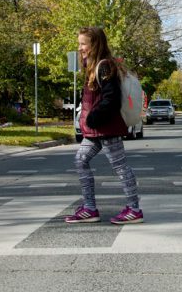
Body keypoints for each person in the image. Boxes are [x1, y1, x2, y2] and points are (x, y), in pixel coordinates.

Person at [65, 27, 143, 224]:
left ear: (95, 45)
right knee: (81, 160)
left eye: (83, 44)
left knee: (120, 166)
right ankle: (89, 208)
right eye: (79, 43)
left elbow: (112, 99)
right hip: (95, 129)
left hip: (105, 127)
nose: (80, 47)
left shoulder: (104, 66)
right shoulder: (92, 66)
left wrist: (94, 117)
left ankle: (134, 209)